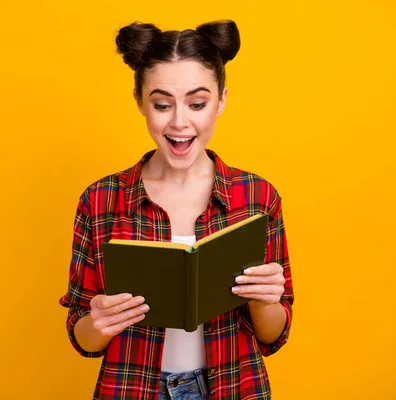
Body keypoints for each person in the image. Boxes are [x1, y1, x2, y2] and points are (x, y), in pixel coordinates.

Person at [59, 19, 294, 400]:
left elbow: (273, 335)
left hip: (235, 388)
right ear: (140, 102)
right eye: (162, 104)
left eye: (197, 103)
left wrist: (265, 299)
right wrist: (99, 322)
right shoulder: (101, 200)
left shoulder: (257, 197)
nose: (180, 122)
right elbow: (84, 339)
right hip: (132, 389)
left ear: (221, 101)